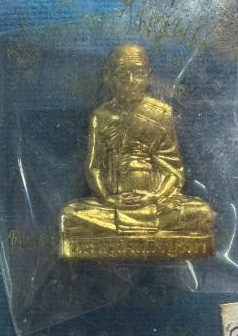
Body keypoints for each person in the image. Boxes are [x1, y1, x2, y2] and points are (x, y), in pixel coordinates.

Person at [60, 44, 215, 239]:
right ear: (109, 77)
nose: (131, 81)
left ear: (148, 75)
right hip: (114, 205)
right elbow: (94, 168)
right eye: (122, 74)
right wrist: (108, 198)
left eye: (139, 73)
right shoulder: (101, 116)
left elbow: (173, 171)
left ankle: (139, 228)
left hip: (155, 204)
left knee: (202, 213)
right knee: (70, 216)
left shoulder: (161, 113)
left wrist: (155, 197)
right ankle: (139, 229)